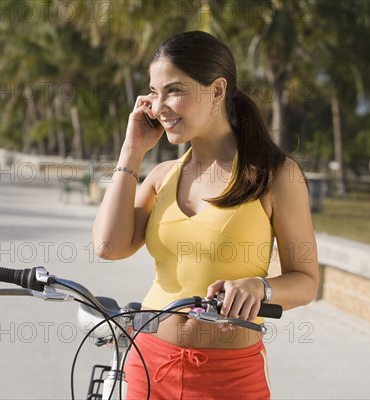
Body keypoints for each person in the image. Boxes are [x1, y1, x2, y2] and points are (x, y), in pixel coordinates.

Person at [92, 31, 319, 399]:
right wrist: (131, 151)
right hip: (148, 364)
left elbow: (307, 281)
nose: (159, 105)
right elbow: (107, 246)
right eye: (154, 91)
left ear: (216, 91)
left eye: (174, 90)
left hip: (229, 379)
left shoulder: (275, 175)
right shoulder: (162, 175)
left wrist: (259, 287)